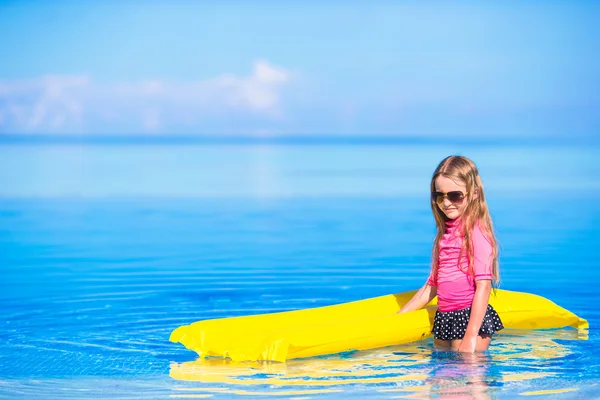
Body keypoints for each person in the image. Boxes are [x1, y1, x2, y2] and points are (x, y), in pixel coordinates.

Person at [398, 155, 504, 353]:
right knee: (441, 378)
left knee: (468, 377)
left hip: (468, 318)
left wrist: (471, 335)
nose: (446, 202)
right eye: (440, 196)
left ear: (473, 194)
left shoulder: (476, 232)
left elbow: (484, 286)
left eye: (454, 195)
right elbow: (433, 286)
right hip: (445, 318)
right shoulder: (445, 233)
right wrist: (398, 318)